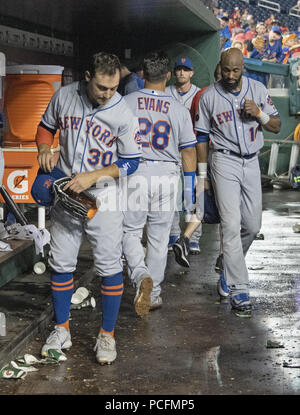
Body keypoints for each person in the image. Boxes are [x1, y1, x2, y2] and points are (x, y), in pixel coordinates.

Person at [35, 52, 141, 365]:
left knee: (109, 266)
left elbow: (131, 161)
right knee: (61, 262)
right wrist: (43, 148)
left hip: (104, 197)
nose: (108, 93)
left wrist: (94, 175)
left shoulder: (121, 110)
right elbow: (45, 127)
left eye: (113, 87)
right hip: (68, 193)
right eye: (101, 87)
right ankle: (62, 329)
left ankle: (107, 336)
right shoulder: (64, 96)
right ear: (86, 77)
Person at [194, 48, 281, 317]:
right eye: (227, 70)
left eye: (236, 70)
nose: (231, 75)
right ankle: (239, 289)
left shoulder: (256, 89)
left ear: (243, 67)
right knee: (230, 224)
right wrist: (202, 175)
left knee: (252, 226)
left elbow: (276, 126)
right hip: (224, 161)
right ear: (220, 66)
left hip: (252, 161)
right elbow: (200, 138)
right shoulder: (209, 96)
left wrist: (260, 114)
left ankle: (229, 263)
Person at [122, 50, 197, 314]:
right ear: (167, 75)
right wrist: (189, 190)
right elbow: (188, 151)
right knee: (159, 238)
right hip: (167, 174)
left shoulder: (126, 102)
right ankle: (153, 293)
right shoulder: (178, 108)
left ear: (142, 73)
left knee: (129, 233)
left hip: (134, 171)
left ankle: (140, 275)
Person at [165, 57, 202, 254]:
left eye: (185, 70)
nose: (181, 73)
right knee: (171, 194)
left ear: (191, 73)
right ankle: (172, 235)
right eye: (178, 69)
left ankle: (193, 238)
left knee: (193, 195)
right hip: (171, 149)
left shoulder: (198, 94)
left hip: (191, 150)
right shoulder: (166, 92)